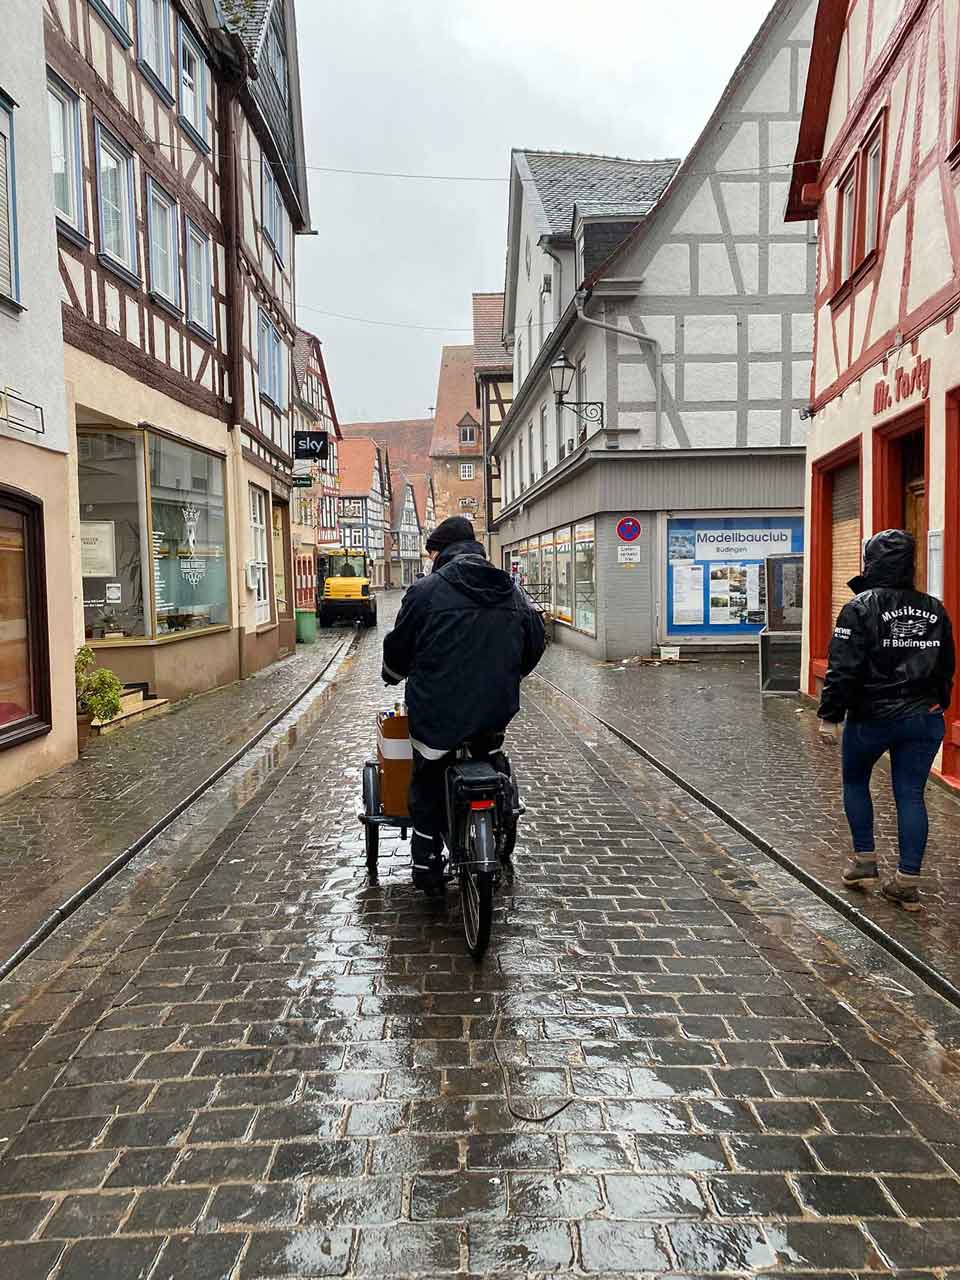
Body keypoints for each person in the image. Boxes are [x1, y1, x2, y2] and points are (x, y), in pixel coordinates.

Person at [382, 516, 546, 892]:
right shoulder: (509, 589)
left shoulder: (425, 592)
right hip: (493, 712)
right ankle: (499, 817)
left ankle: (426, 867)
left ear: (438, 552)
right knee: (490, 756)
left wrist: (392, 672)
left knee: (425, 780)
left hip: (437, 715)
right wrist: (510, 674)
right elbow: (535, 642)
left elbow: (399, 647)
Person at [818, 528, 955, 911]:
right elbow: (946, 666)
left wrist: (830, 715)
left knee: (856, 781)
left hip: (871, 718)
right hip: (922, 718)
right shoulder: (934, 608)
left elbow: (843, 668)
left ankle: (865, 862)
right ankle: (907, 881)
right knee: (911, 794)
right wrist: (936, 704)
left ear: (870, 561)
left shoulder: (860, 607)